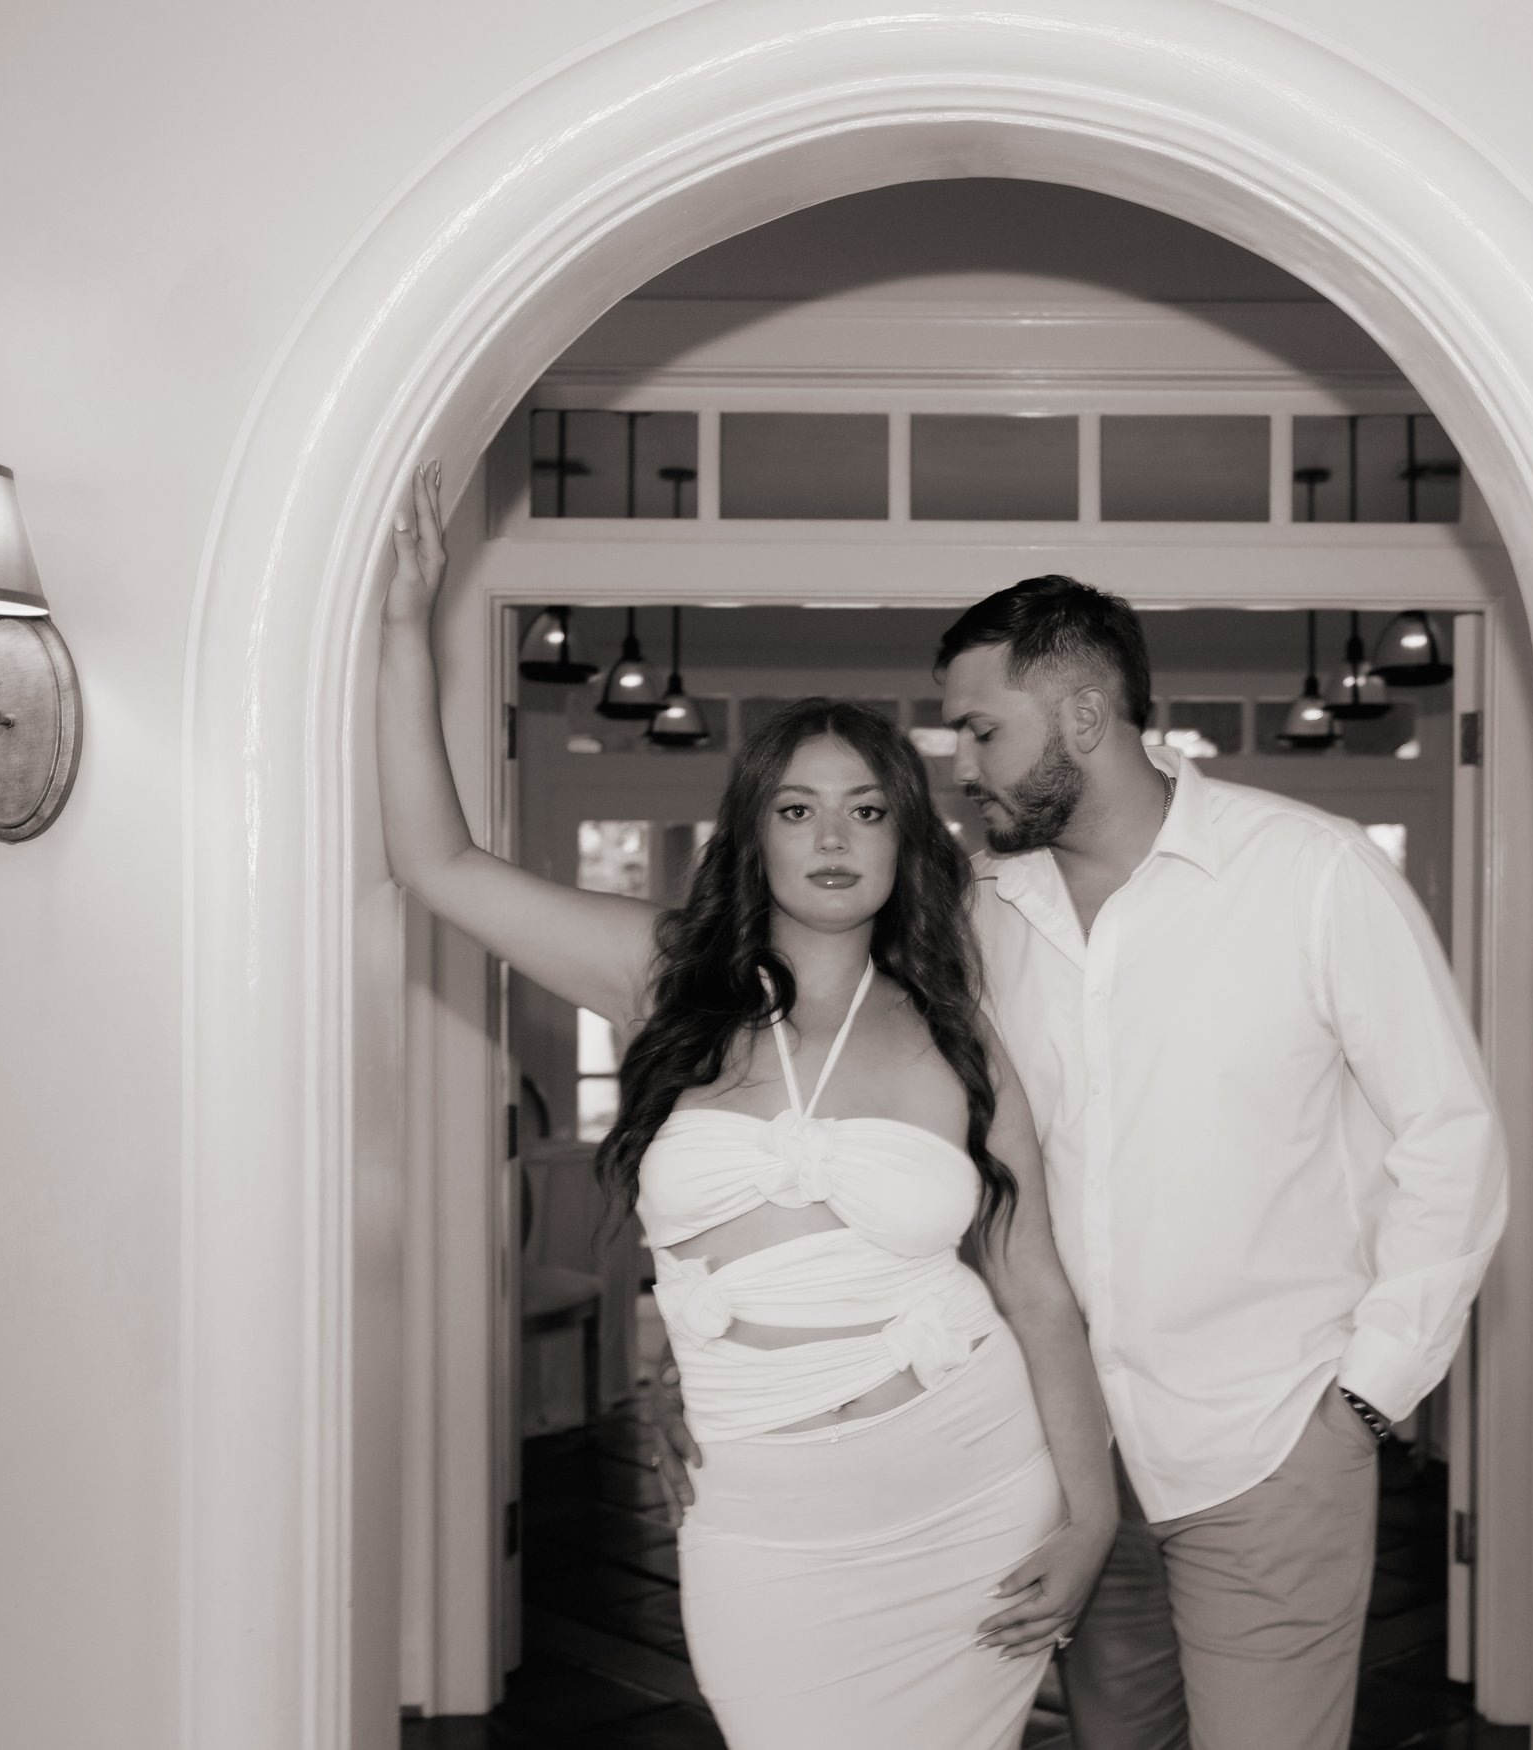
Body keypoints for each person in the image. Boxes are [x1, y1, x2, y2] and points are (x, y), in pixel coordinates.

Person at [375, 463, 1117, 1750]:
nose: (833, 836)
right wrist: (403, 632)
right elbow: (436, 862)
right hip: (762, 1521)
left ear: (901, 840)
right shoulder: (665, 976)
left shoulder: (959, 1025)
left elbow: (1038, 1287)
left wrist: (1091, 1515)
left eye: (866, 808)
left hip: (971, 1491)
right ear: (756, 832)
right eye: (798, 807)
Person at [934, 575, 1509, 1750]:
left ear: (1084, 717)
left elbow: (1450, 1134)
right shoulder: (980, 916)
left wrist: (1365, 1394)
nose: (962, 763)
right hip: (1075, 1457)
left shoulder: (1313, 873)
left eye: (982, 728)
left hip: (1270, 1437)